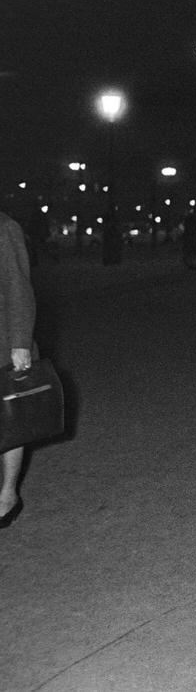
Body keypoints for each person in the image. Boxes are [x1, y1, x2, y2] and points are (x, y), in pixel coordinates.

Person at [1, 210, 36, 528]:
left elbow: (18, 288)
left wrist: (21, 343)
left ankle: (7, 492)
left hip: (1, 343)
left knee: (8, 421)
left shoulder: (5, 228)